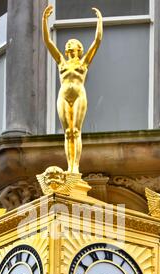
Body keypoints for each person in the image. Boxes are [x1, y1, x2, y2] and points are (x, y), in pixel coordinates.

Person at [42, 5, 103, 173]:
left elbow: (96, 42)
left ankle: (75, 167)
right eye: (68, 43)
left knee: (76, 131)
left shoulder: (83, 63)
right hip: (63, 95)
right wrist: (44, 20)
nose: (69, 45)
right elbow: (48, 42)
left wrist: (99, 21)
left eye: (72, 44)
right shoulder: (61, 62)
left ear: (78, 49)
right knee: (67, 132)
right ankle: (69, 166)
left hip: (78, 94)